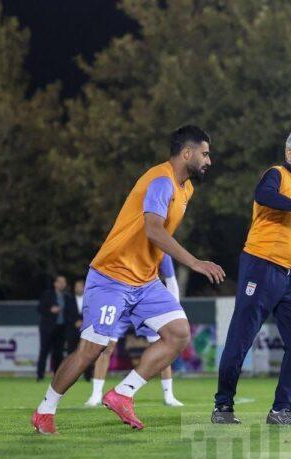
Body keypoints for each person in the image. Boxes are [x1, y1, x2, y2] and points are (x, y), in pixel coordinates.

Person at [31, 126, 225, 435]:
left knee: (178, 333)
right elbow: (154, 230)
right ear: (187, 153)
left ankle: (122, 393)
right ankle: (45, 410)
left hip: (145, 282)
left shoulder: (186, 188)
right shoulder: (161, 181)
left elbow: (158, 240)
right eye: (205, 154)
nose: (209, 161)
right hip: (112, 277)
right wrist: (194, 263)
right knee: (91, 349)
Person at [212, 129, 291, 425]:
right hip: (261, 267)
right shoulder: (276, 174)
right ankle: (223, 405)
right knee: (242, 337)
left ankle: (281, 409)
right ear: (289, 153)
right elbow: (264, 195)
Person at [85, 254, 184, 407]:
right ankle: (96, 395)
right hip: (121, 302)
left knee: (163, 347)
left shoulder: (162, 252)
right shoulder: (123, 247)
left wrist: (174, 311)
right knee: (105, 348)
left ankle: (169, 395)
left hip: (146, 303)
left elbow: (171, 281)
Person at [36, 275, 70, 381]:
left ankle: (57, 377)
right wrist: (50, 310)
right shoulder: (48, 295)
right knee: (44, 352)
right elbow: (39, 308)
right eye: (60, 282)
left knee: (58, 354)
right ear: (55, 284)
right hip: (48, 328)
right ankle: (40, 376)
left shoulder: (67, 297)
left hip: (61, 329)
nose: (62, 284)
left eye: (64, 282)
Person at [65, 279, 93, 382]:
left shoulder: (90, 299)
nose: (78, 288)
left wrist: (84, 322)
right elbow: (66, 314)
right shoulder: (69, 300)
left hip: (86, 331)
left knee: (87, 353)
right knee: (71, 353)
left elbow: (93, 313)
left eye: (80, 286)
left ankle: (88, 376)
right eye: (76, 287)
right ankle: (69, 376)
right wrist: (75, 322)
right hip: (72, 331)